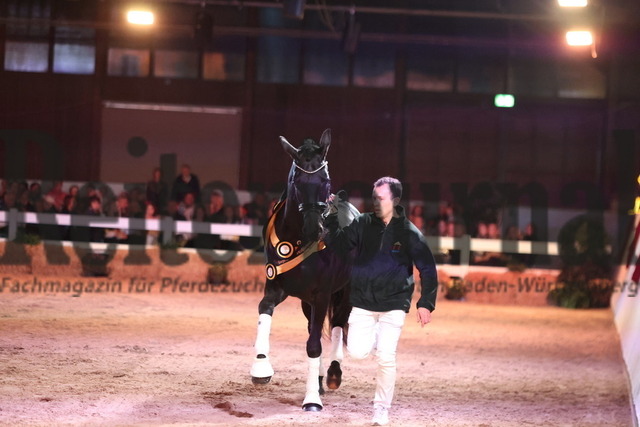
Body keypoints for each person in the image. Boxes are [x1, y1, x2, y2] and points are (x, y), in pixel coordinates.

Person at [324, 176, 438, 426]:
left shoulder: (409, 232)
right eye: (374, 198)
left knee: (386, 358)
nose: (376, 202)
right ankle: (376, 337)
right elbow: (339, 246)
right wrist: (331, 216)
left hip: (393, 305)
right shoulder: (362, 223)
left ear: (395, 201)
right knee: (357, 352)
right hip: (362, 302)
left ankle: (381, 409)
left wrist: (425, 303)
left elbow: (428, 268)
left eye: (381, 198)